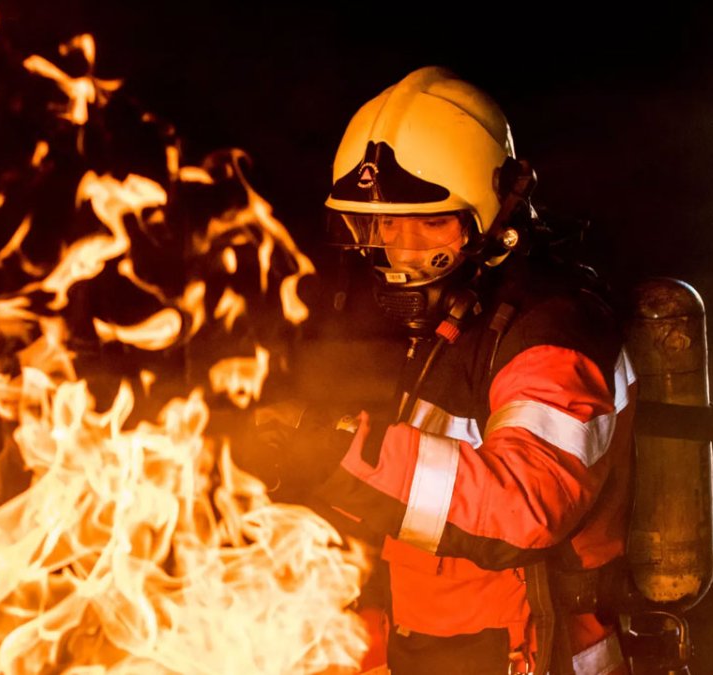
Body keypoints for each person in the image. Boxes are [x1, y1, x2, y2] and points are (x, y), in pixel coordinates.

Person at [258, 66, 636, 674]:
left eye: (429, 221)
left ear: (490, 214)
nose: (400, 251)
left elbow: (525, 508)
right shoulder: (452, 316)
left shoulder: (553, 327)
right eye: (381, 224)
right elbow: (415, 503)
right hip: (440, 652)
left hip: (536, 656)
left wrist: (339, 455)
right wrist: (290, 449)